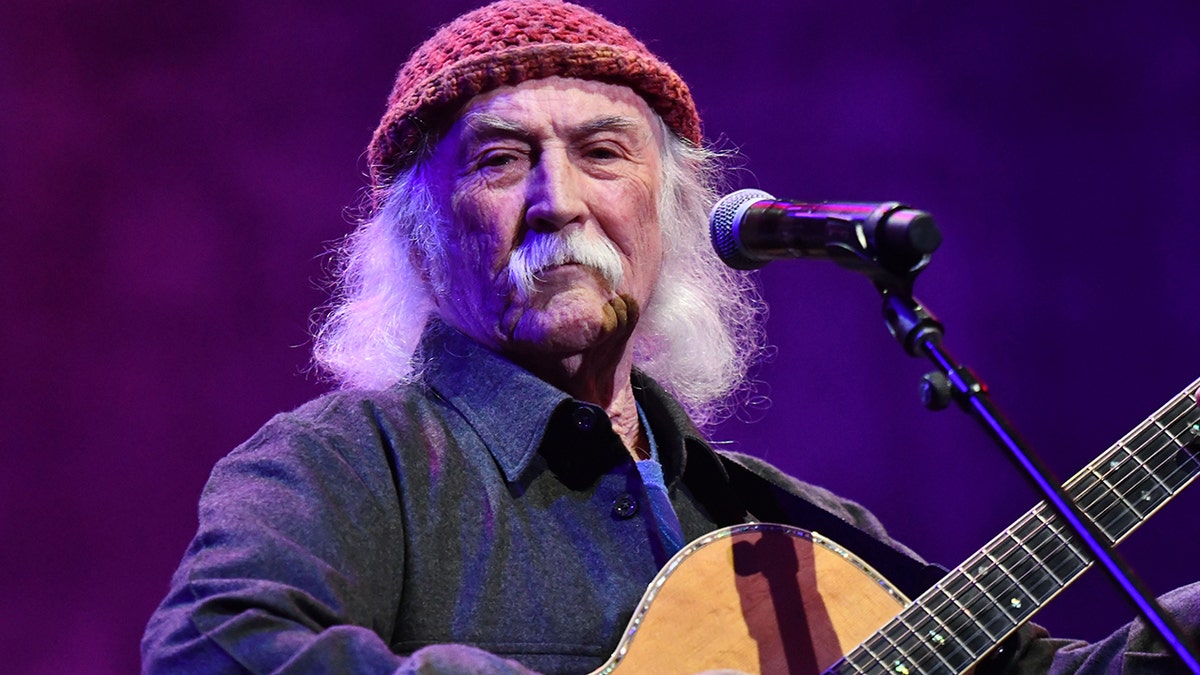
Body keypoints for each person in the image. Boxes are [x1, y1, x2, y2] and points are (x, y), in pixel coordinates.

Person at [142, 1, 1200, 673]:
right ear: (419, 236)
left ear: (668, 214)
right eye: (500, 160)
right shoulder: (342, 467)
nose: (558, 200)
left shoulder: (789, 525)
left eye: (603, 152)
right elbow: (212, 651)